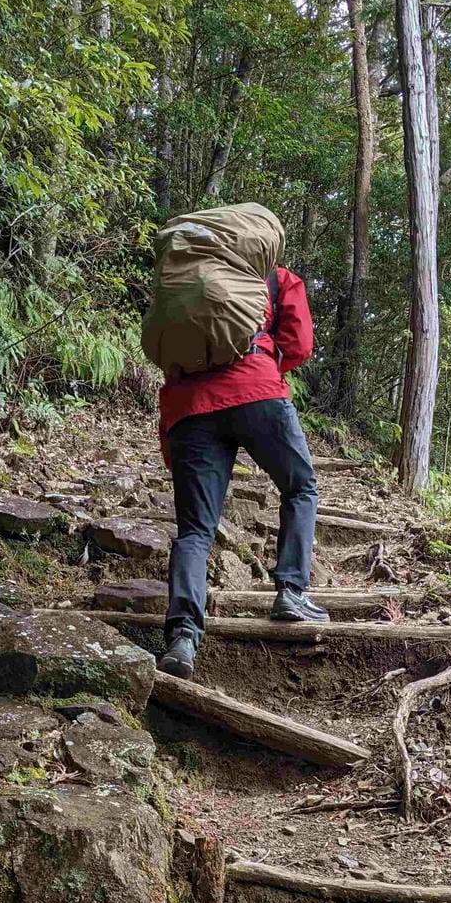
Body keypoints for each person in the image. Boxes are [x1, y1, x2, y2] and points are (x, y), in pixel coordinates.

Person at [155, 219, 329, 681]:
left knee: (196, 530)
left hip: (190, 405)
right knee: (300, 487)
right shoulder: (275, 278)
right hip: (257, 391)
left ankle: (183, 637)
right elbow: (299, 344)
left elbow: (168, 352)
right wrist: (264, 362)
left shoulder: (183, 287)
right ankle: (291, 591)